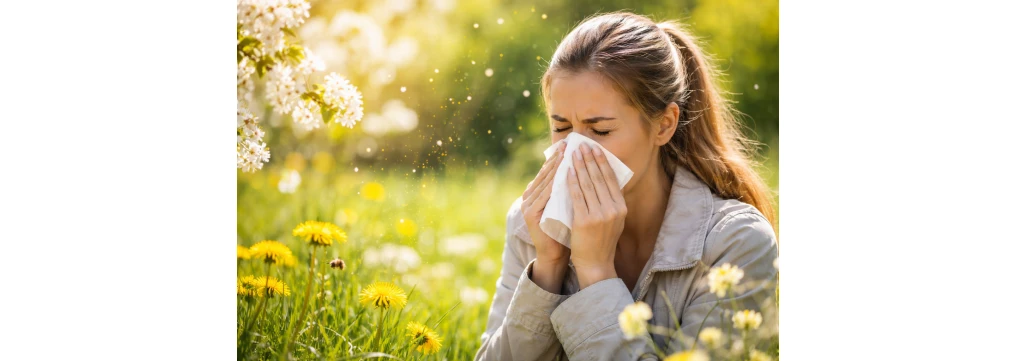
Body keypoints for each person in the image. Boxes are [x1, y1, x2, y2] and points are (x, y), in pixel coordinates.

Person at [474, 12, 779, 361]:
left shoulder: (736, 242)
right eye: (561, 128)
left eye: (600, 131)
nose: (575, 151)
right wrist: (548, 267)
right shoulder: (532, 223)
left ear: (664, 125)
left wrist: (596, 273)